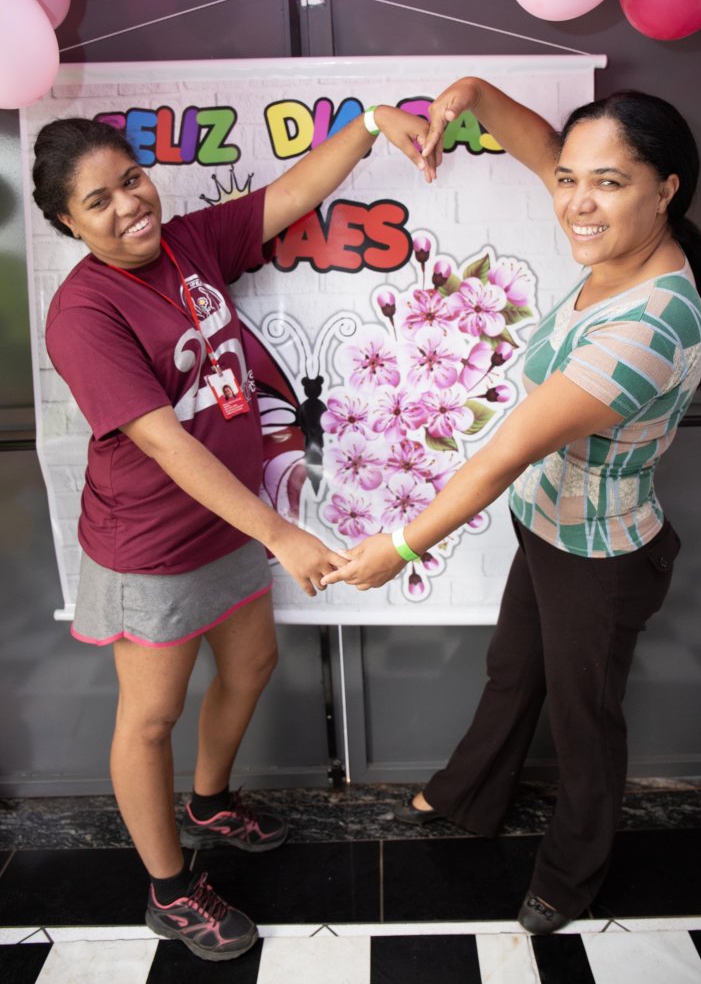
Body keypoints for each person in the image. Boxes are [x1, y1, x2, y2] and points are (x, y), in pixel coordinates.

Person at [322, 78, 701, 934]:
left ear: (665, 190)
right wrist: (463, 96)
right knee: (514, 669)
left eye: (608, 182)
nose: (576, 200)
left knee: (585, 724)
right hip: (548, 525)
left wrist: (396, 546)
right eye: (571, 177)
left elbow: (504, 451)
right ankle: (471, 792)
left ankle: (570, 876)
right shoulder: (614, 235)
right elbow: (535, 143)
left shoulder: (648, 329)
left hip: (601, 556)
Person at [32, 104, 431, 962]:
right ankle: (170, 891)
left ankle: (209, 800)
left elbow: (288, 194)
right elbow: (166, 444)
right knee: (150, 717)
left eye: (132, 180)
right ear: (68, 223)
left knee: (251, 665)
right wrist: (283, 534)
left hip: (228, 520)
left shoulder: (185, 244)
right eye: (98, 201)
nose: (128, 205)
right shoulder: (83, 312)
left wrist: (370, 128)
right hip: (152, 543)